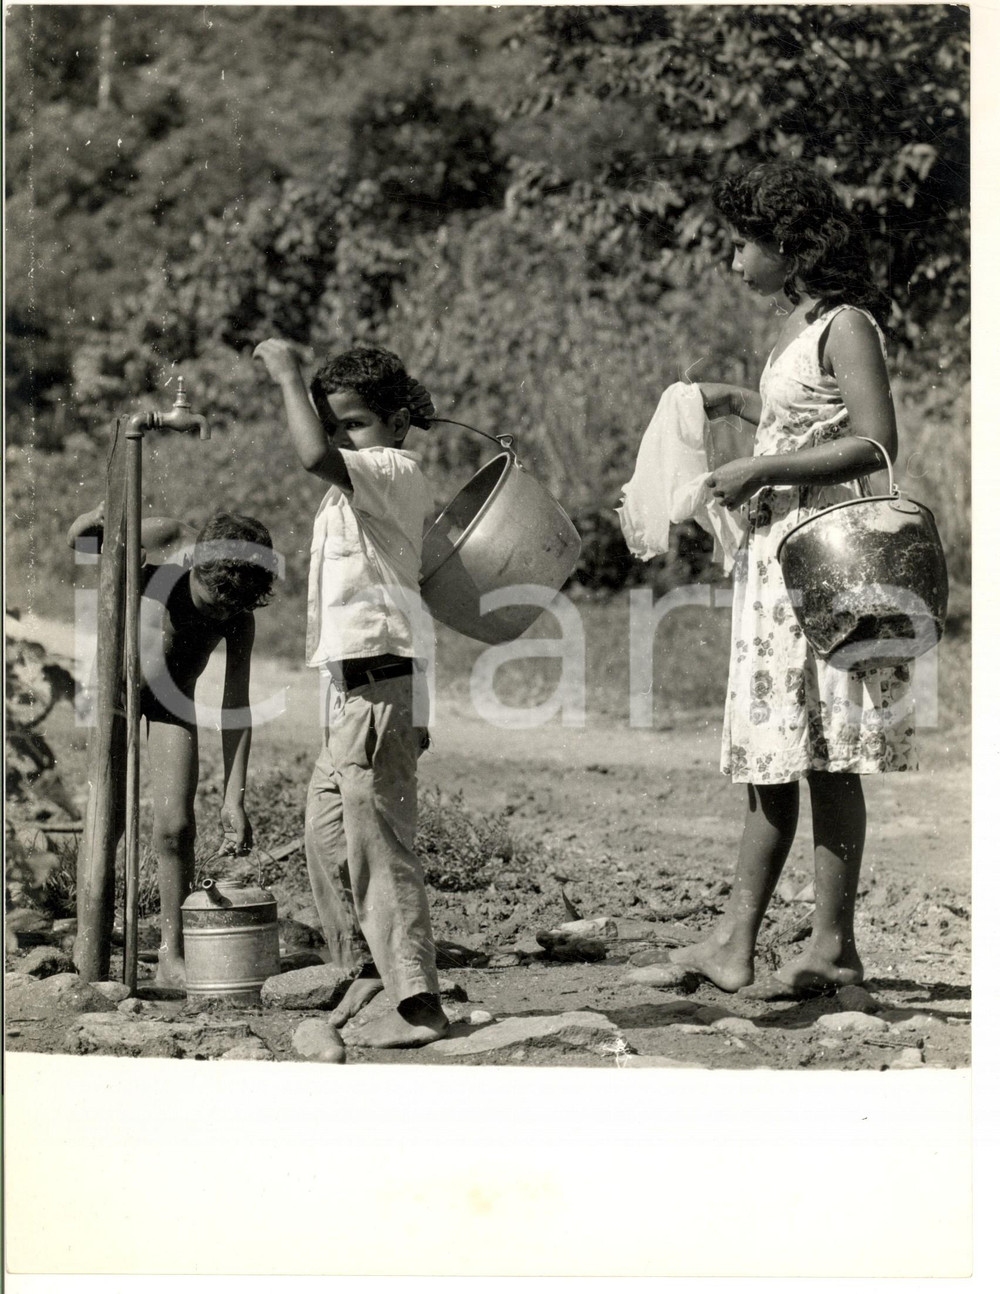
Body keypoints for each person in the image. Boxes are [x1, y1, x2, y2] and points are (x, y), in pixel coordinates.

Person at [668, 160, 917, 999]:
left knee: (824, 752)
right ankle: (744, 942)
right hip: (781, 560)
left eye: (742, 243)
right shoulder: (801, 326)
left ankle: (826, 947)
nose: (733, 259)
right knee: (782, 748)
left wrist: (760, 469)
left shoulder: (847, 323)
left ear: (787, 244)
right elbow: (807, 414)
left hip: (822, 557)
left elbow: (876, 443)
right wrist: (739, 401)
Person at [252, 338, 448, 1048]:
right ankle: (363, 969)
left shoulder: (394, 469)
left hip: (380, 686)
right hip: (351, 690)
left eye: (354, 423)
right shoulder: (352, 489)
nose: (340, 439)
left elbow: (309, 456)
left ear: (396, 424)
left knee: (379, 845)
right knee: (327, 834)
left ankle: (415, 1001)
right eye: (333, 425)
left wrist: (285, 375)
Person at [68, 503, 276, 987]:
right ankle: (89, 941)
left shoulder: (238, 615)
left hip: (172, 704)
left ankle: (171, 954)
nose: (221, 615)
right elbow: (80, 546)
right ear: (195, 564)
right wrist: (101, 515)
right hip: (111, 699)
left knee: (176, 829)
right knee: (109, 821)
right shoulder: (161, 539)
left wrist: (234, 796)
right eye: (211, 604)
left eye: (230, 610)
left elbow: (235, 706)